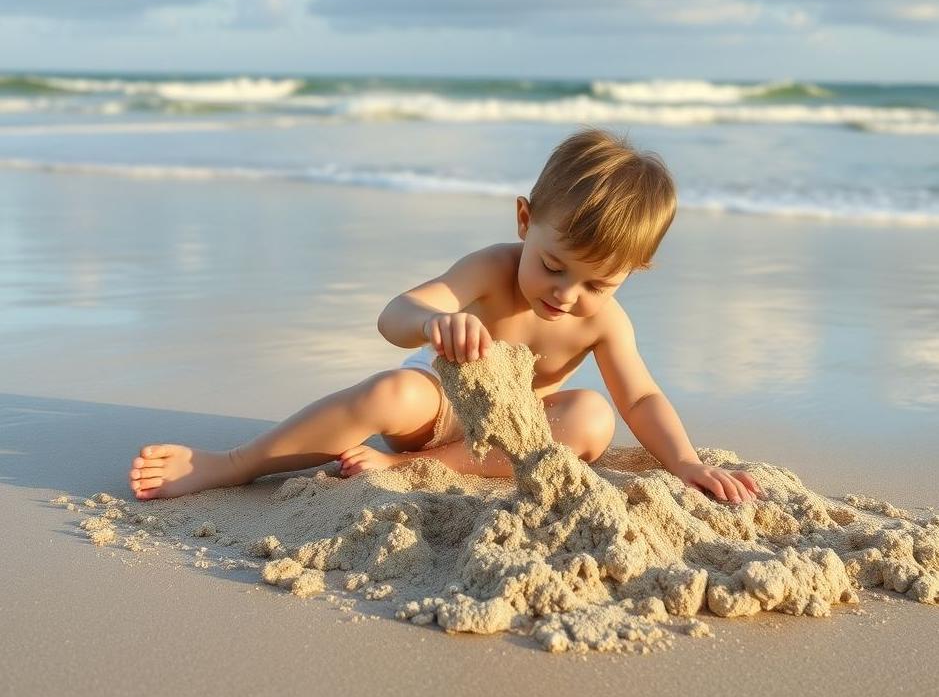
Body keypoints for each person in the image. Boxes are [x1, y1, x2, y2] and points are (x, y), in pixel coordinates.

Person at [128, 127, 762, 504]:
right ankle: (235, 463)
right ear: (525, 221)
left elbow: (641, 398)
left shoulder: (605, 323)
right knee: (392, 390)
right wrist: (433, 322)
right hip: (442, 408)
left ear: (633, 273)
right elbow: (394, 314)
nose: (567, 293)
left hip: (510, 437)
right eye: (553, 265)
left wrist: (685, 462)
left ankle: (408, 473)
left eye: (598, 283)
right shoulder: (490, 269)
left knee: (593, 417)